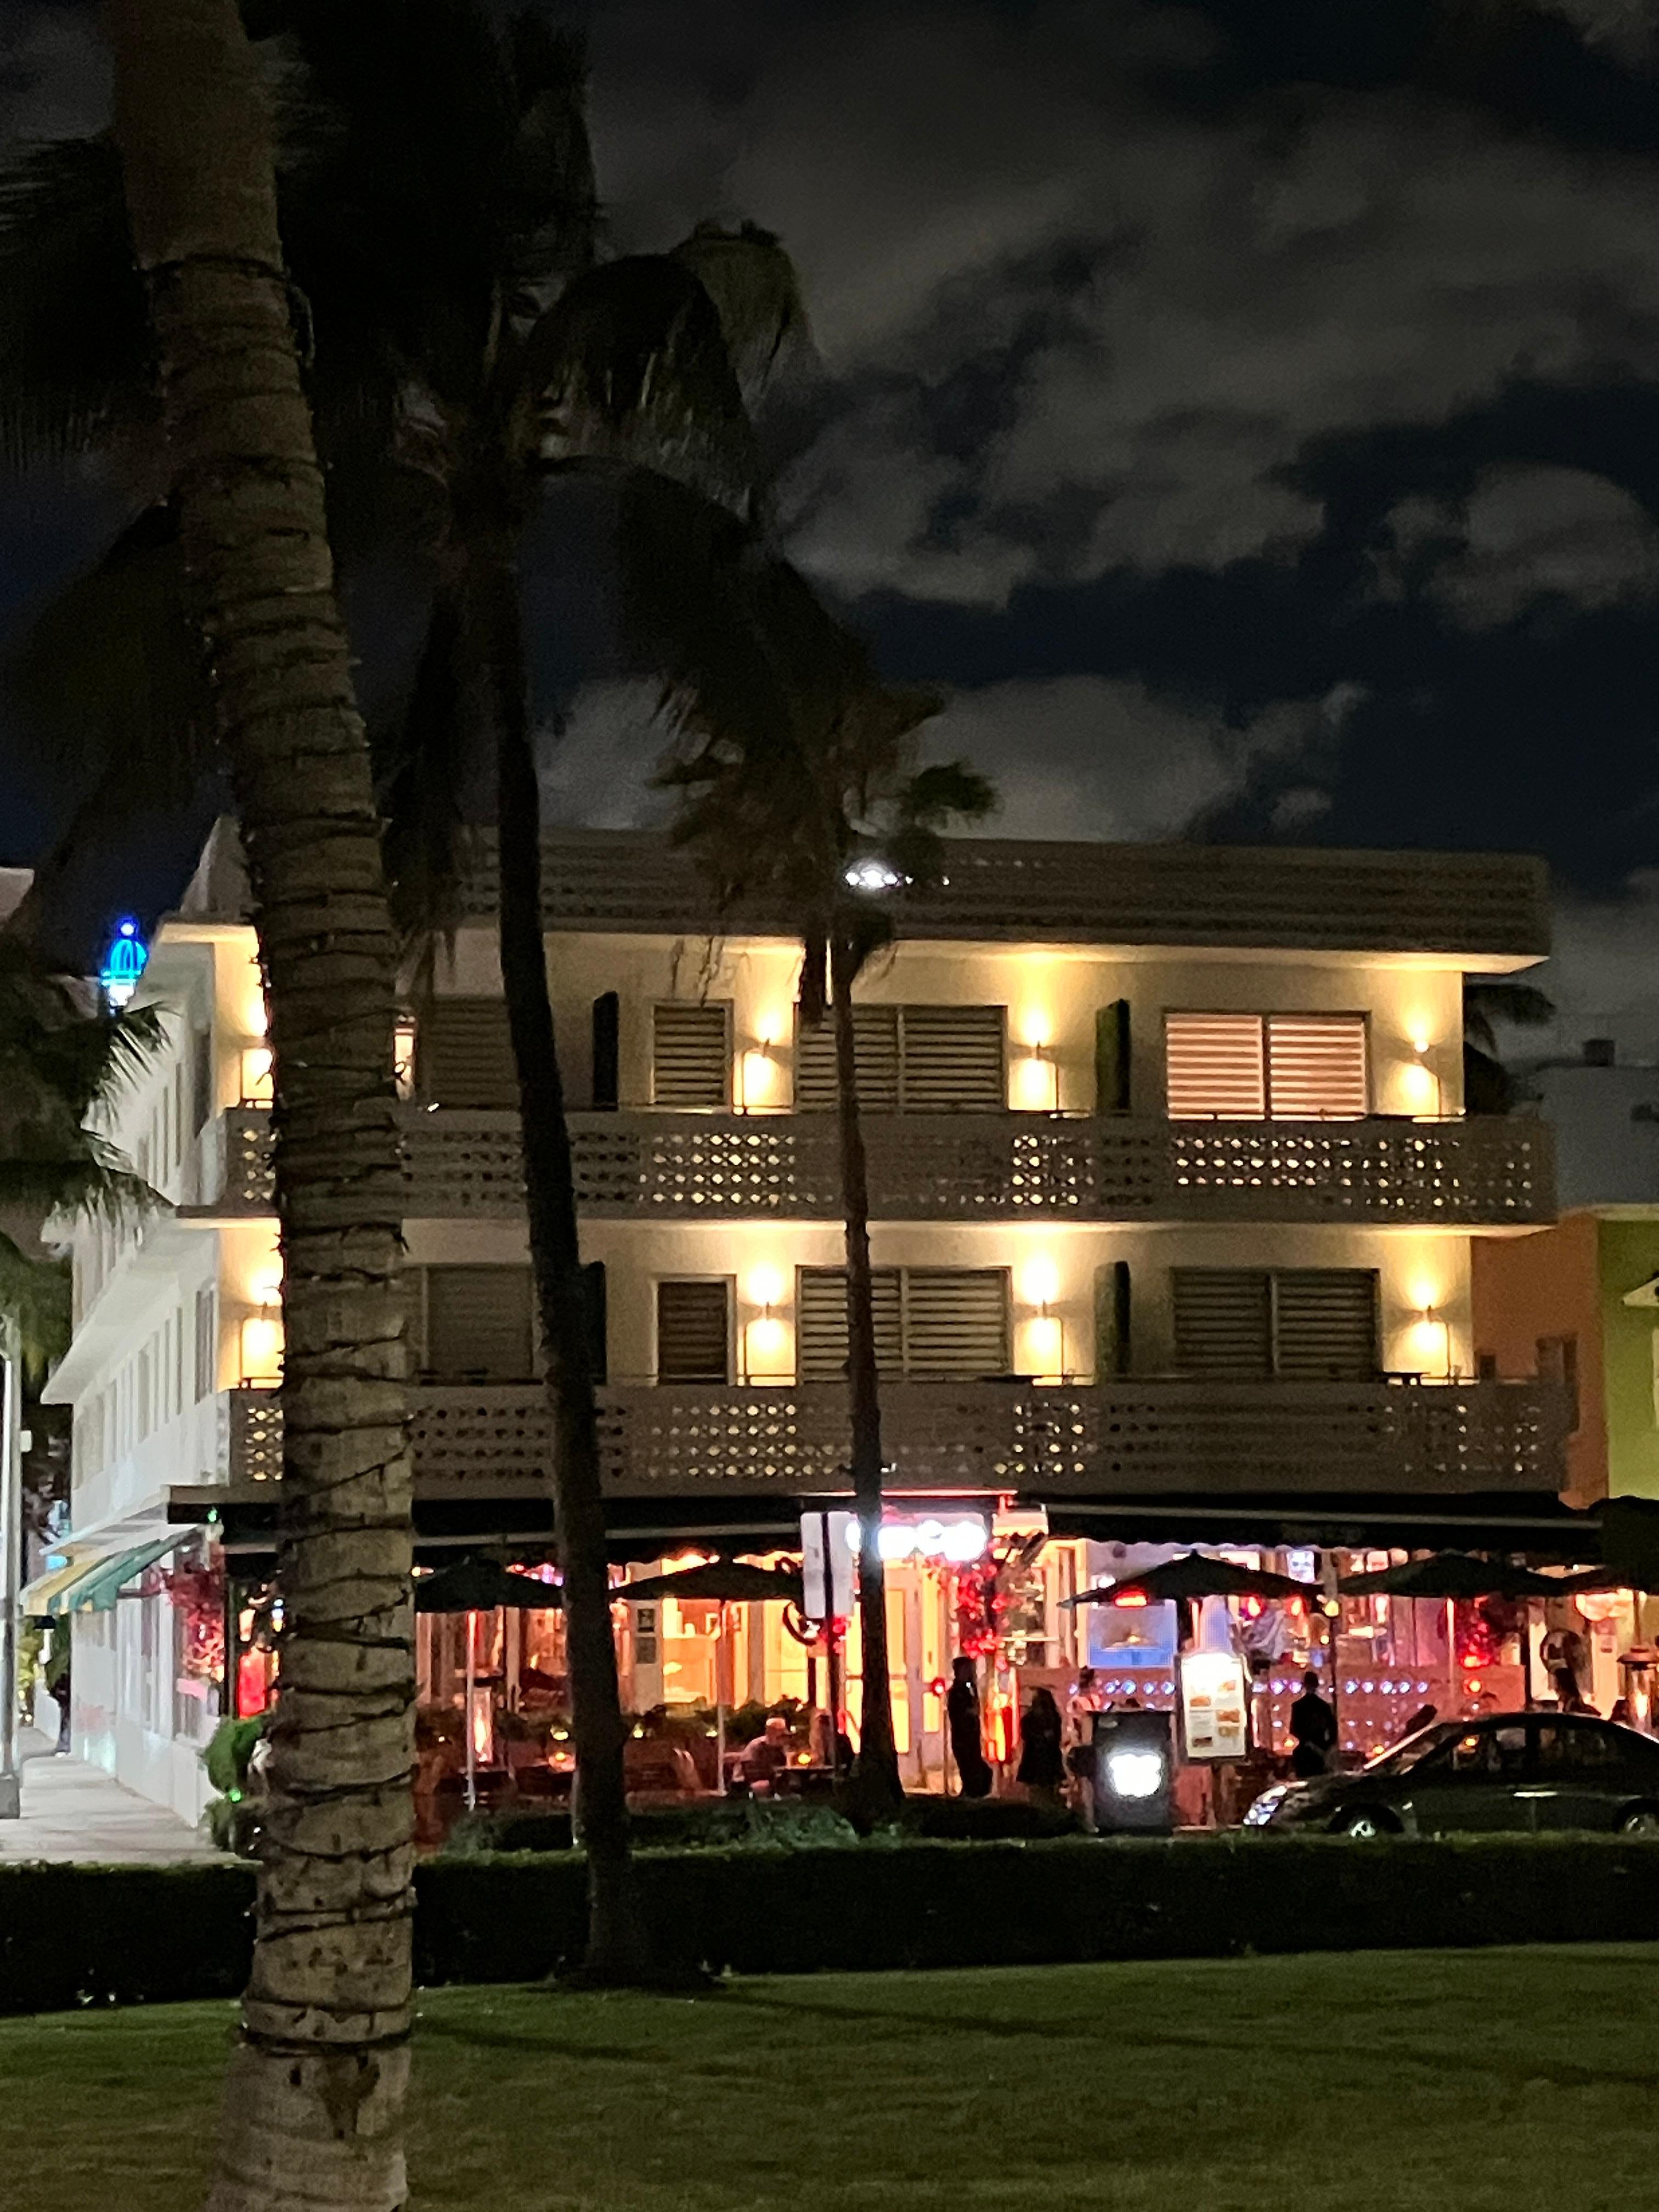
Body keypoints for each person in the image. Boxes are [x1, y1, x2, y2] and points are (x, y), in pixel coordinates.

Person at [946, 1656, 993, 1798]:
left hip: (971, 1735)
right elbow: (959, 1711)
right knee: (968, 1763)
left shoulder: (969, 1687)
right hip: (963, 1735)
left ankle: (973, 1790)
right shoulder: (957, 1691)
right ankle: (971, 1790)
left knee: (973, 1763)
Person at [1016, 1686, 1066, 1804]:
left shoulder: (1030, 1719)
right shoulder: (1053, 1718)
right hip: (1047, 1758)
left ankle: (1038, 1810)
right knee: (1046, 1789)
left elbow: (1025, 1736)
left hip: (1035, 1758)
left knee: (1037, 1791)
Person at [1289, 1668, 1339, 1779]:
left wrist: (1307, 1741)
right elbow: (1333, 1730)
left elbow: (1293, 1729)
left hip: (1304, 1751)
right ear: (1317, 1685)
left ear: (1304, 1685)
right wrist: (1326, 1747)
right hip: (1320, 1750)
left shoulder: (1298, 1707)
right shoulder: (1324, 1707)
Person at [741, 1714, 792, 1791]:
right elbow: (750, 1771)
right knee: (762, 1786)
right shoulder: (757, 1746)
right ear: (770, 1734)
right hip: (747, 1782)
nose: (783, 1740)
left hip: (772, 1780)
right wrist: (774, 1771)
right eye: (780, 1736)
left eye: (784, 1737)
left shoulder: (780, 1749)